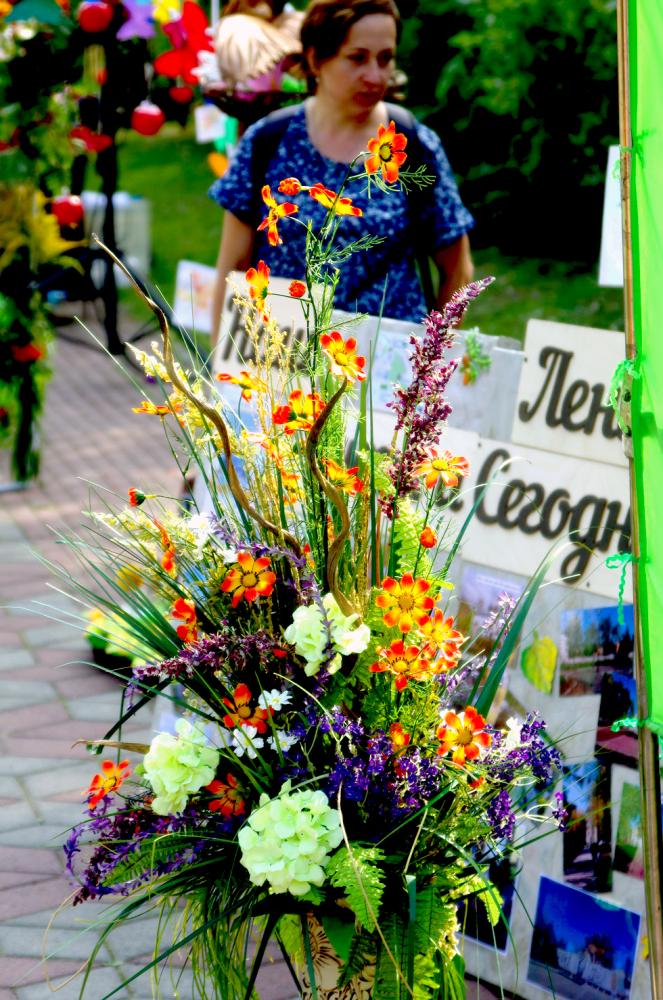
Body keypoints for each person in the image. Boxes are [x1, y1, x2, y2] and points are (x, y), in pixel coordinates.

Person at [208, 0, 474, 348]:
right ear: (317, 58)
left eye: (386, 58)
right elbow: (233, 268)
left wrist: (430, 359)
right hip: (283, 365)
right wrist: (219, 377)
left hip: (386, 381)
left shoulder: (412, 144)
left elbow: (458, 271)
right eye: (357, 57)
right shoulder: (268, 141)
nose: (376, 76)